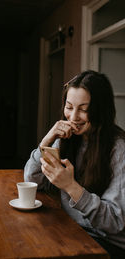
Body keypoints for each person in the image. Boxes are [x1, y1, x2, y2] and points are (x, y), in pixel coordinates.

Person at [24, 70, 125, 259]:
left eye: (84, 109)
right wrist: (46, 141)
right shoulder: (66, 138)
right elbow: (32, 180)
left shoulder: (119, 150)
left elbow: (116, 221)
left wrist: (70, 186)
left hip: (108, 244)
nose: (73, 117)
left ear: (100, 110)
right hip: (73, 229)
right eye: (69, 107)